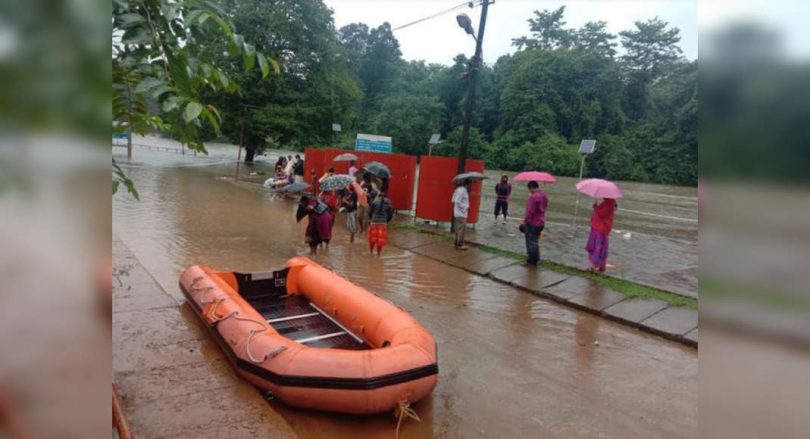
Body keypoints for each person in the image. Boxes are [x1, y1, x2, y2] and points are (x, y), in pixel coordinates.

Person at [586, 198, 617, 272]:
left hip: (600, 228)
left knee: (598, 247)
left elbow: (602, 213)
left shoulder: (609, 203)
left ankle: (595, 266)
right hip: (600, 228)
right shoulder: (609, 202)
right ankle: (601, 266)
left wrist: (596, 207)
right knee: (601, 247)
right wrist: (596, 207)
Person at [521, 181, 548, 266]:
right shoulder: (544, 195)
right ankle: (536, 259)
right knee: (535, 241)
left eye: (529, 189)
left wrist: (526, 222)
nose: (529, 191)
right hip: (541, 222)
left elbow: (530, 211)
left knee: (531, 242)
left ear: (531, 187)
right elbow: (545, 206)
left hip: (533, 223)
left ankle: (531, 261)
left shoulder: (533, 197)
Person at [368, 189, 394, 255]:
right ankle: (378, 254)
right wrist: (386, 221)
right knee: (380, 240)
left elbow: (370, 212)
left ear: (378, 196)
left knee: (372, 238)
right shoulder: (389, 203)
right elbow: (390, 215)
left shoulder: (374, 202)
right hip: (383, 223)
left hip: (374, 222)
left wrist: (371, 219)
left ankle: (371, 252)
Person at [451, 179, 471, 250]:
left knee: (458, 229)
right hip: (461, 213)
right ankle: (460, 244)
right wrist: (464, 208)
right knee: (462, 229)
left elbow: (453, 199)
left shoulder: (458, 189)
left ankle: (456, 243)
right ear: (467, 184)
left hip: (457, 213)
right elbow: (457, 201)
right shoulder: (462, 191)